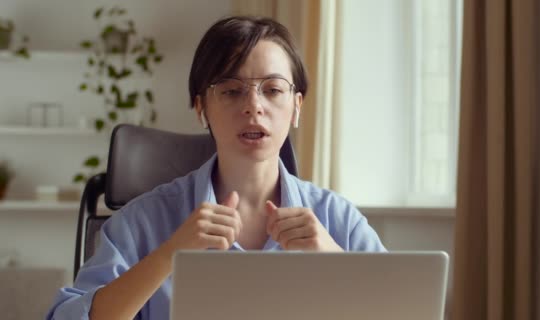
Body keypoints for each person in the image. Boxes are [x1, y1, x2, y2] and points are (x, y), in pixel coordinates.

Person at [46, 15, 386, 320]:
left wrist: (336, 261)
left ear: (296, 106)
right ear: (201, 107)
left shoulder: (336, 219)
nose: (254, 107)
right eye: (231, 91)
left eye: (272, 90)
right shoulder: (142, 222)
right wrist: (169, 255)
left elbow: (404, 308)